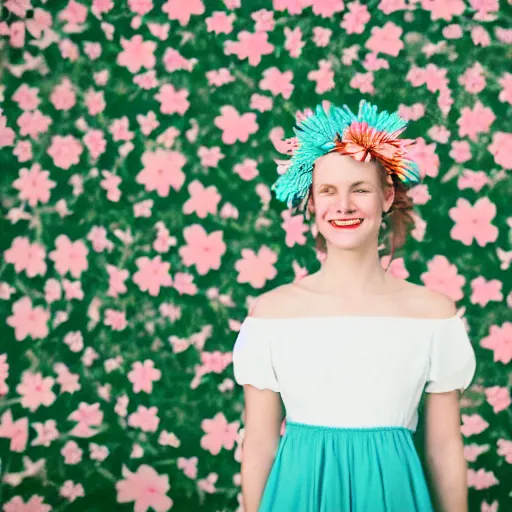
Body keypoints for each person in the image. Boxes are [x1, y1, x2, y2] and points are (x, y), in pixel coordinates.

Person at [232, 100, 477, 512]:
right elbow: (258, 448)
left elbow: (442, 450)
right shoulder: (272, 315)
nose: (343, 205)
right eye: (328, 190)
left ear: (386, 197)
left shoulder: (433, 315)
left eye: (359, 189)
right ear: (311, 203)